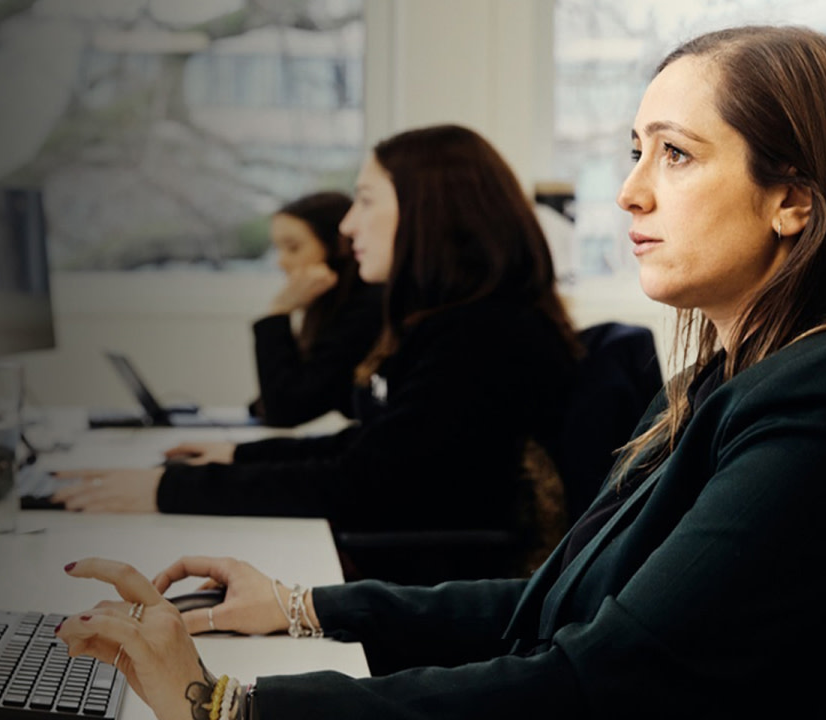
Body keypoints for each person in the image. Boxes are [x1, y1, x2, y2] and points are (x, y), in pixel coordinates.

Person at [51, 25, 826, 719]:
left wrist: (230, 707)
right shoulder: (739, 381)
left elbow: (602, 680)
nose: (631, 190)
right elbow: (558, 607)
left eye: (677, 154)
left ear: (792, 202)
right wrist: (298, 607)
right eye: (636, 151)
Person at [51, 124, 583, 540]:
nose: (349, 225)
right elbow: (379, 448)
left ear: (430, 212)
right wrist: (238, 456)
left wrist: (170, 488)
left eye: (367, 201)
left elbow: (362, 484)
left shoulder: (481, 338)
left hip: (424, 587)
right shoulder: (460, 322)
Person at [246, 191, 384, 428]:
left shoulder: (367, 308)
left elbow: (286, 409)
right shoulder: (336, 304)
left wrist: (279, 311)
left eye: (293, 247)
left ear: (340, 244)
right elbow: (270, 402)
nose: (281, 262)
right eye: (278, 248)